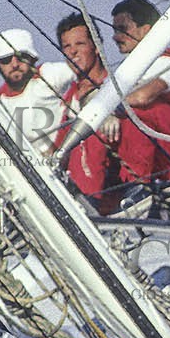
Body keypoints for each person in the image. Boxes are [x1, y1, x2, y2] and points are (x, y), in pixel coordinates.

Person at [108, 0, 170, 187]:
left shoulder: (167, 60)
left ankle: (137, 182)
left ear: (146, 30)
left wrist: (111, 109)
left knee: (137, 110)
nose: (115, 37)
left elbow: (143, 97)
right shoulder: (131, 67)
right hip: (169, 149)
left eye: (122, 29)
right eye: (114, 30)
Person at [53, 12, 122, 213]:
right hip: (82, 205)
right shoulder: (68, 101)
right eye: (67, 46)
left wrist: (112, 113)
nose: (73, 51)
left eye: (80, 44)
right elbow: (58, 151)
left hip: (117, 200)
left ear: (96, 47)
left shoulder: (117, 86)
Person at [0, 26, 75, 156]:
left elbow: (86, 74)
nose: (15, 64)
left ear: (32, 58)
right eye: (6, 60)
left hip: (69, 151)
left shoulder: (49, 74)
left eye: (21, 57)